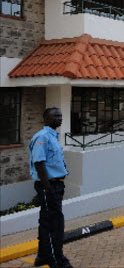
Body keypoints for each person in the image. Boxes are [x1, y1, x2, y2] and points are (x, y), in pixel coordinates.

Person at [29, 108, 72, 268]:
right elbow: (38, 163)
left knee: (46, 222)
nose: (60, 118)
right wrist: (47, 188)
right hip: (49, 185)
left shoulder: (53, 136)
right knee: (55, 224)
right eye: (56, 116)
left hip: (56, 184)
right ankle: (57, 260)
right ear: (46, 118)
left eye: (60, 115)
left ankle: (42, 256)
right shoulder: (42, 137)